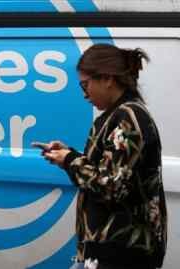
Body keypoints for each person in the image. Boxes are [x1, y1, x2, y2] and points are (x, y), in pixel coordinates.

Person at [41, 44, 167, 269]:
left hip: (122, 253)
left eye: (85, 84)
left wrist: (70, 160)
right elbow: (112, 169)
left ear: (108, 78)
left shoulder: (128, 119)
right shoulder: (116, 117)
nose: (84, 93)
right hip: (109, 250)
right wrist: (69, 155)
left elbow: (111, 186)